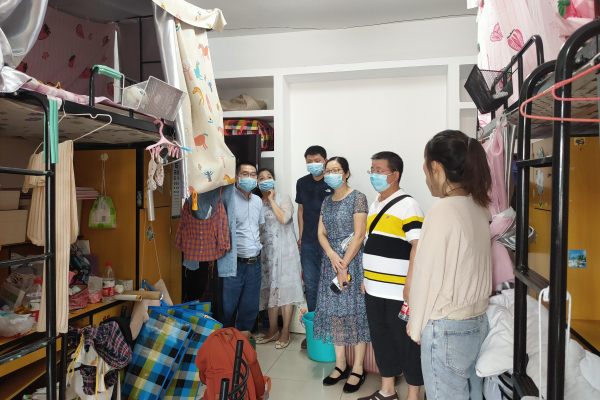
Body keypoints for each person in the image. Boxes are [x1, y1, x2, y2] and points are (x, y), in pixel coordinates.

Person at [408, 130, 492, 400]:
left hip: (447, 327)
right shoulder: (478, 206)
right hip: (478, 322)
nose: (426, 177)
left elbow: (427, 275)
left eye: (425, 169)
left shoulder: (442, 209)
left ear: (435, 167)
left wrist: (415, 325)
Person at [359, 152, 425, 400]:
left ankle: (414, 395)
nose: (373, 175)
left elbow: (418, 247)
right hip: (374, 289)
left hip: (399, 291)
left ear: (395, 175)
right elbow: (372, 243)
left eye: (379, 171)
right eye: (372, 170)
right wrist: (366, 279)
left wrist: (410, 285)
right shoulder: (375, 204)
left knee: (407, 342)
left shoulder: (409, 205)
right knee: (381, 339)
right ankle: (387, 390)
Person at [313, 156, 370, 394]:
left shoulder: (358, 198)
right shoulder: (327, 201)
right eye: (328, 171)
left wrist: (344, 263)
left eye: (337, 170)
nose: (332, 174)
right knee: (335, 313)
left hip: (352, 264)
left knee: (355, 313)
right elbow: (321, 233)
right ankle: (340, 365)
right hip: (331, 264)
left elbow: (359, 234)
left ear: (346, 173)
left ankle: (358, 368)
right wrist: (331, 255)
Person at [254, 167, 304, 349]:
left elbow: (284, 218)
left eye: (269, 177)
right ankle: (273, 329)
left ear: (273, 181)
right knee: (270, 290)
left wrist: (271, 200)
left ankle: (285, 331)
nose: (266, 180)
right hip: (266, 254)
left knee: (286, 290)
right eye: (261, 178)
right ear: (257, 183)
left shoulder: (284, 198)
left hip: (285, 252)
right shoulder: (256, 202)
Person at [221, 161, 265, 332]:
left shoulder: (257, 201)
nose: (249, 177)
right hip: (234, 263)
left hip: (255, 263)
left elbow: (257, 227)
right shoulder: (227, 198)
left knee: (250, 309)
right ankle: (224, 342)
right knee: (227, 308)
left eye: (253, 175)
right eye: (245, 174)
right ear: (236, 177)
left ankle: (242, 342)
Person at [295, 145, 332, 349]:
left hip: (330, 243)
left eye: (317, 160)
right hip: (308, 241)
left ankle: (331, 330)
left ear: (325, 161)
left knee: (332, 286)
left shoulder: (334, 181)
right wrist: (301, 237)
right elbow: (300, 210)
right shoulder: (302, 182)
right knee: (310, 286)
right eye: (309, 161)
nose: (313, 164)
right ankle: (314, 330)